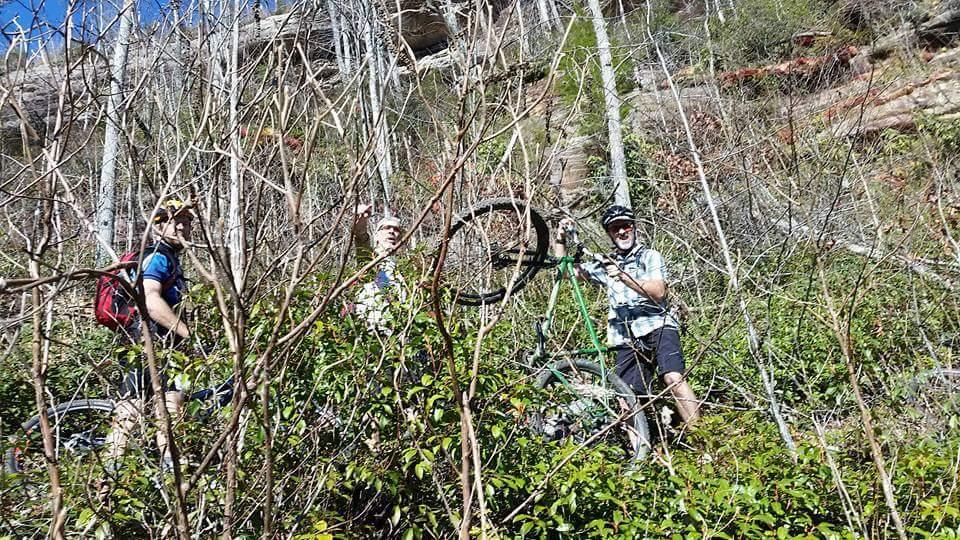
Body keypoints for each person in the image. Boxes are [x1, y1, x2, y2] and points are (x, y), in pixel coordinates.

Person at [555, 205, 701, 425]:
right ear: (610, 234)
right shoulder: (604, 263)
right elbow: (566, 272)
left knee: (673, 378)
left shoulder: (649, 256)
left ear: (633, 227)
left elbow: (659, 292)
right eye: (615, 229)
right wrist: (560, 239)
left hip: (658, 324)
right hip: (625, 335)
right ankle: (640, 456)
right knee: (627, 398)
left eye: (625, 226)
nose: (622, 232)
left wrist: (624, 277)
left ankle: (704, 443)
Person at [103, 198, 195, 478]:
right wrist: (189, 335)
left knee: (141, 411)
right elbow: (151, 301)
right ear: (156, 227)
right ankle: (168, 478)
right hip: (149, 344)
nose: (182, 225)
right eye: (173, 220)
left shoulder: (169, 257)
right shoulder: (157, 257)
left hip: (152, 345)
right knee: (162, 409)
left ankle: (116, 475)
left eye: (186, 221)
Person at [349, 203, 409, 335]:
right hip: (371, 337)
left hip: (398, 339)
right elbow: (360, 237)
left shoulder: (406, 270)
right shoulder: (370, 260)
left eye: (396, 230)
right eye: (386, 228)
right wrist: (360, 220)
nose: (392, 232)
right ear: (376, 237)